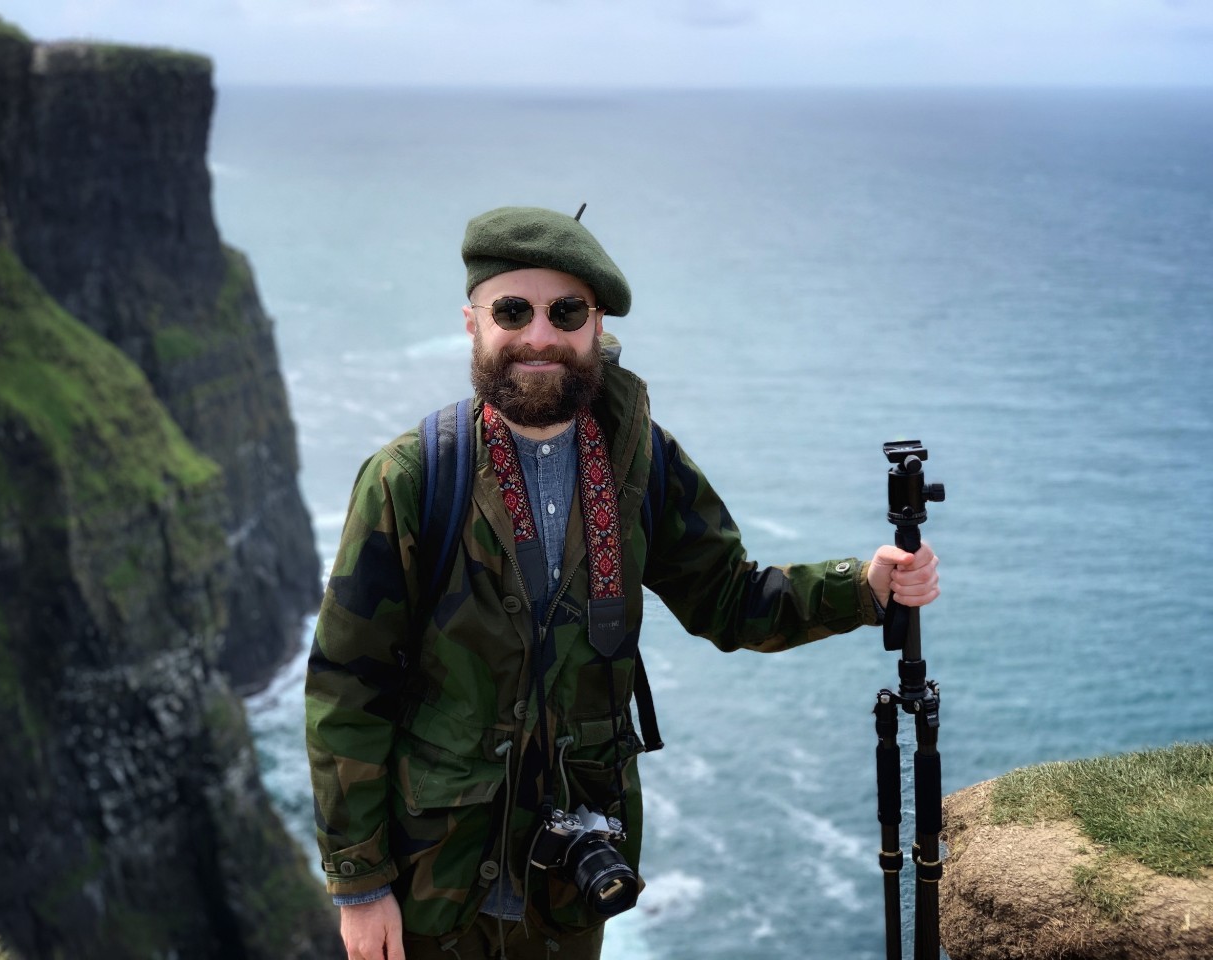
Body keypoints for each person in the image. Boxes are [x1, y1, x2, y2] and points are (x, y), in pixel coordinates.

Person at [305, 206, 940, 960]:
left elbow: (727, 599)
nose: (539, 334)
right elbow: (348, 689)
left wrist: (861, 587)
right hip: (437, 886)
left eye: (565, 310)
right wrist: (360, 887)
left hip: (572, 881)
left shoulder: (641, 461)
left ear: (594, 325)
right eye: (513, 309)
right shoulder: (412, 479)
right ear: (472, 323)